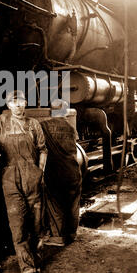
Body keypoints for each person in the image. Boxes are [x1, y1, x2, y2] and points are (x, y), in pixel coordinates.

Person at [0, 90, 47, 273]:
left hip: (33, 178)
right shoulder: (0, 122)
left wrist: (40, 172)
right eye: (14, 102)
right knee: (18, 226)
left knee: (36, 225)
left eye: (21, 102)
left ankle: (36, 260)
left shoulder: (34, 125)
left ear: (26, 104)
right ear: (8, 105)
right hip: (10, 180)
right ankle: (27, 269)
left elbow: (43, 149)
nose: (18, 105)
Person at [40, 99, 82, 247]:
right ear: (65, 112)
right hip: (73, 170)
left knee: (55, 204)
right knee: (72, 203)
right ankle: (71, 234)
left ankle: (58, 237)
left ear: (51, 111)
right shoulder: (71, 128)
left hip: (55, 171)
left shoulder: (44, 126)